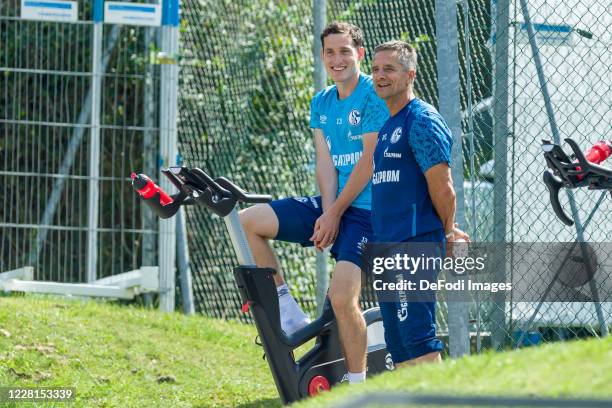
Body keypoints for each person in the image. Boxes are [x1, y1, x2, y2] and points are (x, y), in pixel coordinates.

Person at [239, 22, 388, 383]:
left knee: (341, 298)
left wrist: (334, 214)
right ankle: (288, 312)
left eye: (344, 51)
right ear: (322, 56)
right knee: (248, 222)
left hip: (368, 214)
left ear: (360, 54)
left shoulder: (374, 95)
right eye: (330, 52)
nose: (337, 59)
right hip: (334, 205)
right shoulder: (321, 102)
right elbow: (325, 161)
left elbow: (368, 164)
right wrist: (326, 210)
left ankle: (356, 387)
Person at [370, 40, 469, 366]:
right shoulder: (387, 128)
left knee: (417, 337)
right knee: (397, 343)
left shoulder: (422, 120)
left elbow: (444, 189)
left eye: (389, 69)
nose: (380, 75)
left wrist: (449, 232)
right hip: (386, 248)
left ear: (410, 74)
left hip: (413, 246)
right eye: (375, 69)